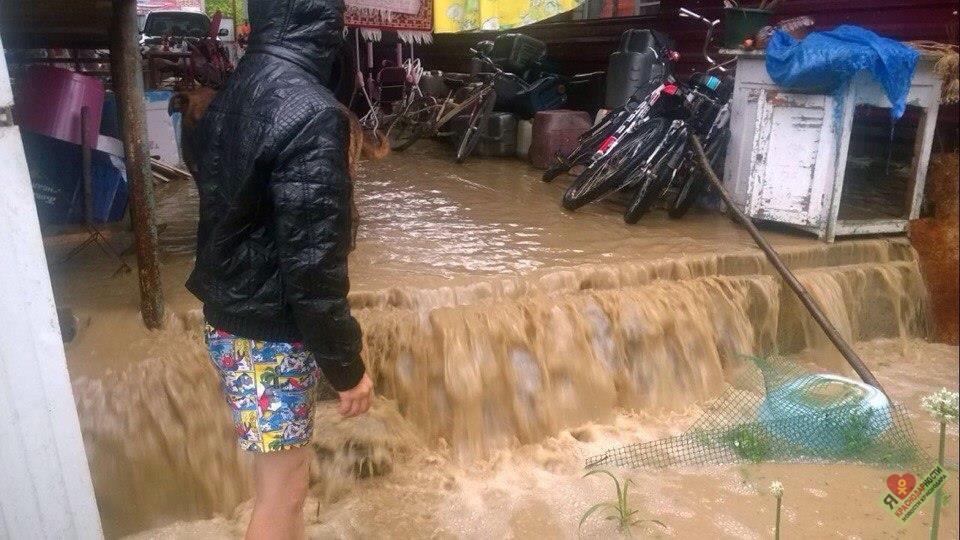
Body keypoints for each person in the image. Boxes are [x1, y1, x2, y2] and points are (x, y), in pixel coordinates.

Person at [187, 0, 374, 538]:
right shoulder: (312, 112)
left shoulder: (234, 92)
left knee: (274, 484)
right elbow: (313, 260)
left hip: (229, 317)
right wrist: (346, 365)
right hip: (268, 332)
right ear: (324, 22)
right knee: (284, 494)